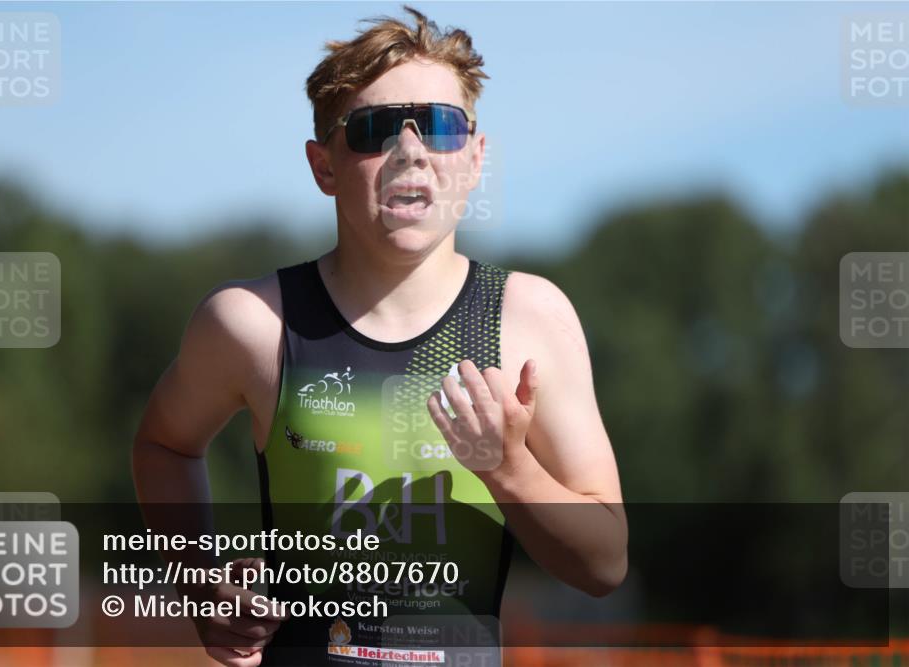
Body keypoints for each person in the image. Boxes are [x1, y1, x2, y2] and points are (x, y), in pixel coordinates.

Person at [133, 5, 627, 666]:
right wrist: (199, 583)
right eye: (373, 129)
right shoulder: (253, 324)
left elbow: (605, 562)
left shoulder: (528, 319)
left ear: (476, 158)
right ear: (324, 166)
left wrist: (509, 466)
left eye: (442, 127)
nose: (410, 151)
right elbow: (164, 443)